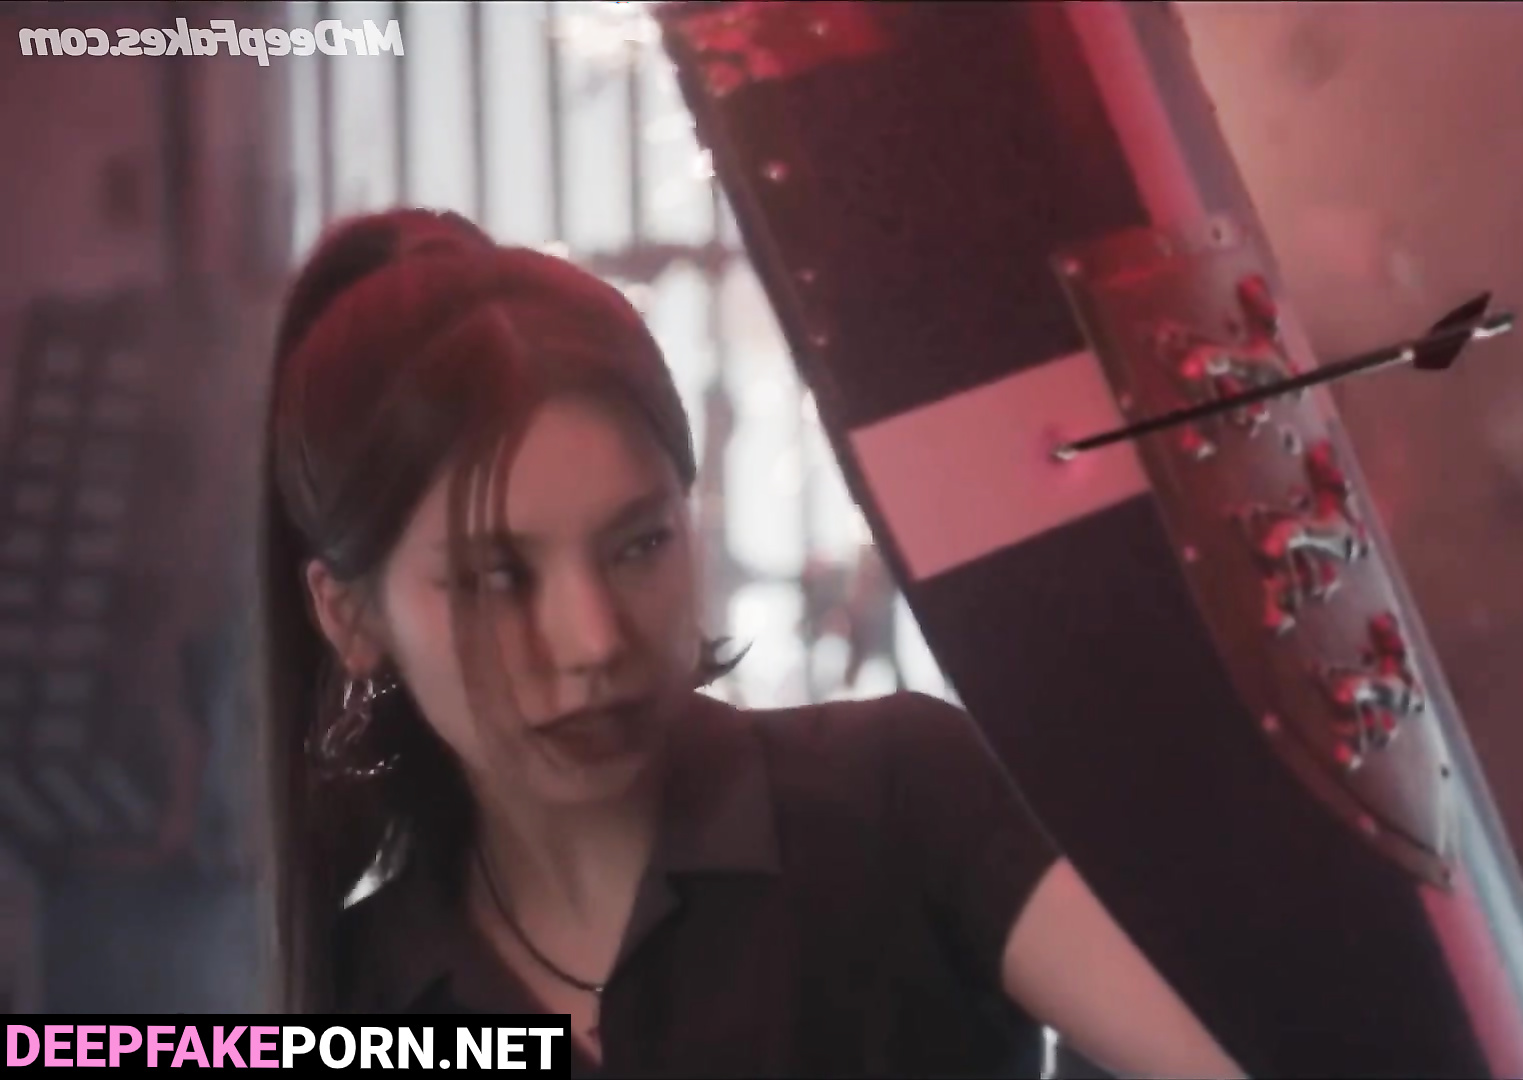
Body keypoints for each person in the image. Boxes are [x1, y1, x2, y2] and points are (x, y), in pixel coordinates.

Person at [258, 208, 1246, 1079]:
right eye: (498, 578)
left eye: (640, 544)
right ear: (352, 618)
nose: (594, 639)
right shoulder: (356, 1002)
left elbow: (1266, 1051)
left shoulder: (898, 800)